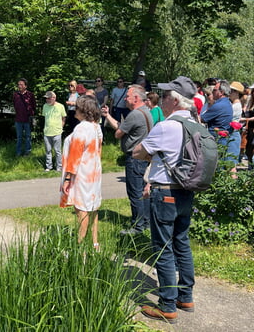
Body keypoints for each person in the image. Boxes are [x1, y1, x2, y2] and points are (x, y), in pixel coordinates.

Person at [132, 76, 199, 324]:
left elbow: (139, 152)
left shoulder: (167, 126)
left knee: (163, 248)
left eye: (164, 96)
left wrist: (152, 152)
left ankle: (167, 304)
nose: (161, 100)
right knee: (182, 241)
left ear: (173, 100)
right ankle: (186, 296)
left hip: (165, 192)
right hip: (186, 191)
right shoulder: (196, 125)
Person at [102, 84, 153, 235]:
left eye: (127, 96)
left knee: (135, 192)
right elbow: (123, 128)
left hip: (135, 159)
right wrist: (108, 116)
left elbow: (118, 133)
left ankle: (137, 226)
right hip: (145, 157)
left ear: (136, 98)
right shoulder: (145, 112)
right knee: (144, 191)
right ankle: (146, 222)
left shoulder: (135, 114)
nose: (125, 99)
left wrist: (112, 122)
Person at [60, 95, 103, 248]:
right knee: (93, 208)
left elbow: (74, 156)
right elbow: (98, 150)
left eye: (77, 108)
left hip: (82, 175)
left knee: (82, 209)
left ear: (84, 111)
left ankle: (80, 248)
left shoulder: (81, 129)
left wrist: (67, 179)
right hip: (94, 173)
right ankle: (94, 243)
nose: (74, 110)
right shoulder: (95, 127)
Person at [42, 91, 66, 172]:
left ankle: (59, 167)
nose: (47, 100)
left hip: (57, 132)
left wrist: (61, 128)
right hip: (47, 132)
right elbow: (45, 117)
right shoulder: (45, 106)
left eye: (49, 98)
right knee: (48, 151)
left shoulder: (60, 106)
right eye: (46, 98)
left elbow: (63, 118)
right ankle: (49, 167)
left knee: (57, 151)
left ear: (54, 98)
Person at [13, 78, 36, 156]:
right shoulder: (15, 95)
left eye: (21, 84)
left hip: (27, 119)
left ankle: (27, 151)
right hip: (18, 119)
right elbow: (14, 105)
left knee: (28, 136)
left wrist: (31, 116)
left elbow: (34, 106)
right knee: (19, 137)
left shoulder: (30, 95)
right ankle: (18, 152)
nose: (19, 86)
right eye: (18, 84)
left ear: (25, 86)